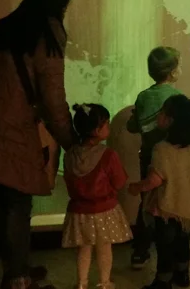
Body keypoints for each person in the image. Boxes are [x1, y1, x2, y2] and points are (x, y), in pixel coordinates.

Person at [0, 0, 75, 289]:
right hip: (10, 129)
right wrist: (70, 140)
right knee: (17, 204)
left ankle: (17, 266)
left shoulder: (1, 28)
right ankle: (18, 278)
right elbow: (53, 98)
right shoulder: (47, 32)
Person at [126, 47, 190, 270]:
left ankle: (140, 251)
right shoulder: (177, 99)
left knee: (147, 203)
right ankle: (180, 251)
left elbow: (133, 126)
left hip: (148, 157)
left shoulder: (143, 97)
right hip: (174, 159)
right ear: (173, 71)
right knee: (174, 200)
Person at [129, 95, 190, 289]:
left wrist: (137, 187)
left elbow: (155, 180)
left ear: (171, 121)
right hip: (186, 207)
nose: (158, 116)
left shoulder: (161, 149)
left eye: (162, 113)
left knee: (165, 247)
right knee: (183, 243)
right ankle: (182, 274)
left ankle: (163, 282)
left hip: (166, 209)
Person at [62, 104, 133, 289]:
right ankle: (104, 282)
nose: (109, 127)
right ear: (96, 130)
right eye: (106, 124)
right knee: (104, 247)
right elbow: (119, 181)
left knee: (83, 248)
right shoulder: (108, 155)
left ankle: (82, 283)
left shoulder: (70, 155)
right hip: (104, 209)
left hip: (79, 211)